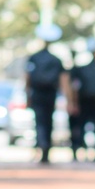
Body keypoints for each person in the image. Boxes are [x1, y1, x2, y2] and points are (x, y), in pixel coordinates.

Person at [68, 38, 95, 162]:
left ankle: (79, 151)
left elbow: (74, 86)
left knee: (82, 127)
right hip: (92, 100)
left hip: (86, 100)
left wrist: (73, 102)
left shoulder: (89, 65)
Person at [25, 35, 65, 164]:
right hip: (50, 94)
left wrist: (27, 94)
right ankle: (46, 149)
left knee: (39, 121)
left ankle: (41, 146)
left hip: (37, 93)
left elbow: (27, 77)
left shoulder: (34, 57)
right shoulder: (55, 59)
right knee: (48, 121)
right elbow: (62, 79)